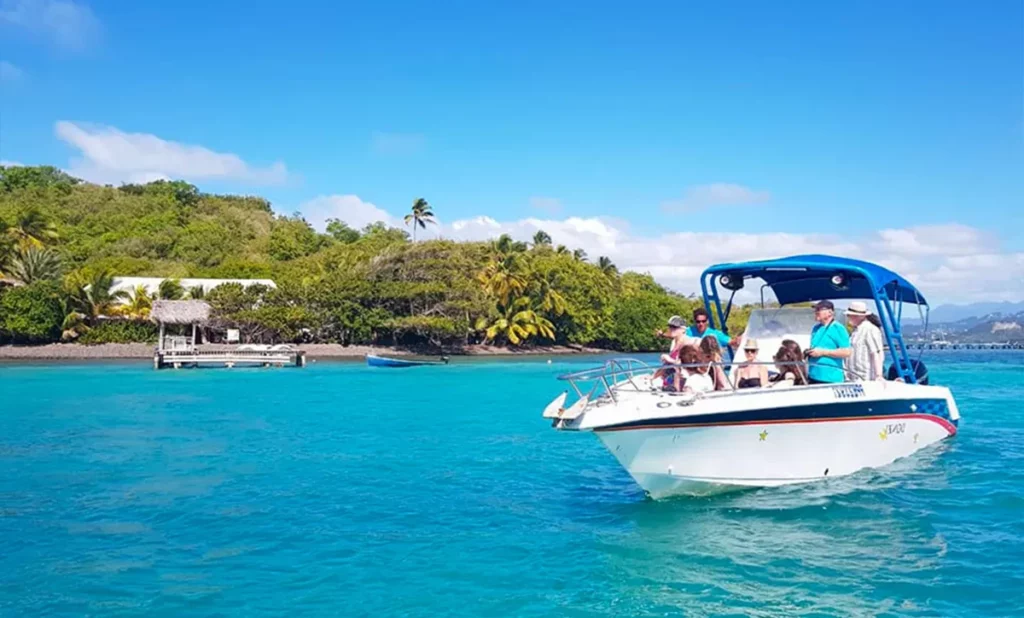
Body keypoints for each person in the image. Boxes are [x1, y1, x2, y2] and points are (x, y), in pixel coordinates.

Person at [806, 300, 851, 384]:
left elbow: (846, 352)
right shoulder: (816, 328)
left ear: (830, 312)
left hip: (830, 378)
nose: (816, 312)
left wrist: (823, 352)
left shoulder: (838, 328)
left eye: (819, 310)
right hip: (813, 375)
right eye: (815, 310)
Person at [845, 301, 884, 381]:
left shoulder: (870, 329)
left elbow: (877, 353)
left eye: (849, 315)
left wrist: (879, 375)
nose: (848, 317)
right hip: (852, 377)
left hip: (865, 377)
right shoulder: (855, 331)